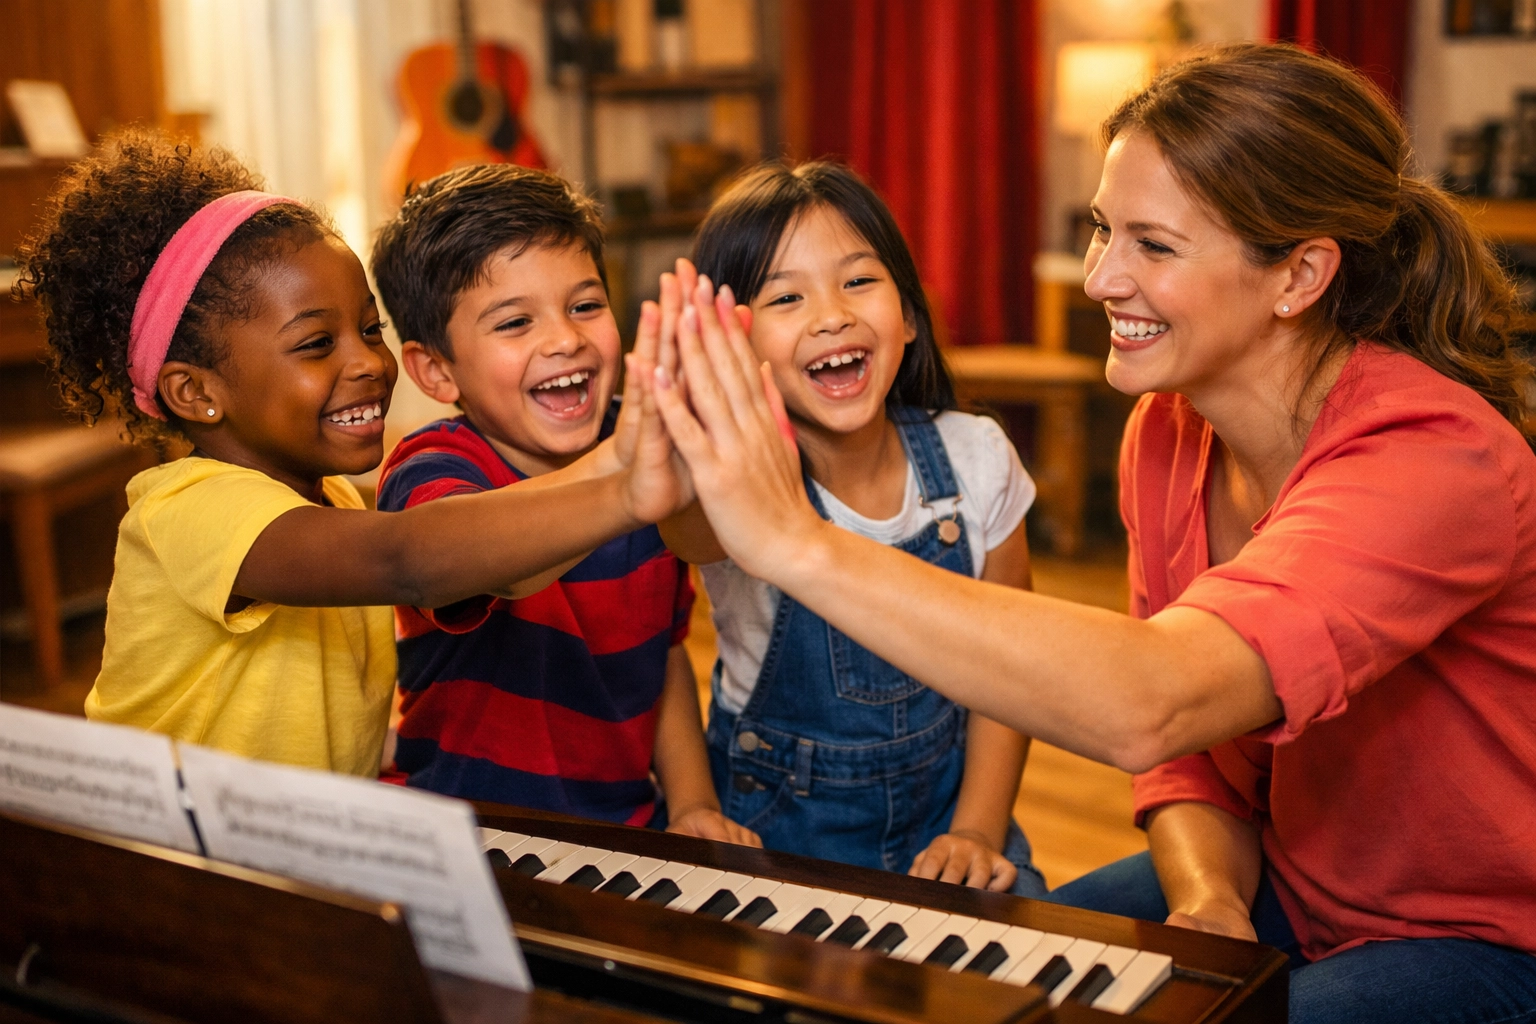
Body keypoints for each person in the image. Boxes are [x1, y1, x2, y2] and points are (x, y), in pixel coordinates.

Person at [642, 45, 1536, 1024]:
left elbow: (1153, 701)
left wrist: (793, 539)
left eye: (1152, 245)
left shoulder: (1437, 456)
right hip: (1288, 882)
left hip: (1481, 937)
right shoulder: (1167, 431)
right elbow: (1198, 755)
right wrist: (1207, 897)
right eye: (1104, 230)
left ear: (1300, 274)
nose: (1102, 278)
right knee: (978, 990)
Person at [16, 132, 690, 777]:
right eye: (317, 344)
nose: (368, 361)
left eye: (370, 329)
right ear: (195, 392)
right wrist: (621, 474)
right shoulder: (189, 510)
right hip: (162, 858)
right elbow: (409, 560)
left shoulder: (331, 501)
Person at [656, 162, 1046, 895]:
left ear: (909, 315)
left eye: (858, 281)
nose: (831, 315)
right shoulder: (732, 483)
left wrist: (978, 830)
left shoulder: (979, 457)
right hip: (775, 840)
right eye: (785, 297)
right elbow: (688, 532)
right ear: (734, 344)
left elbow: (1013, 677)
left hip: (951, 821)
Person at [368, 165, 755, 842]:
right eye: (515, 321)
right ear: (435, 371)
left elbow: (665, 648)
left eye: (585, 305)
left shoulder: (638, 444)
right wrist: (625, 480)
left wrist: (693, 805)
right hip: (467, 833)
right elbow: (491, 562)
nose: (565, 339)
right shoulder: (433, 467)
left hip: (626, 829)